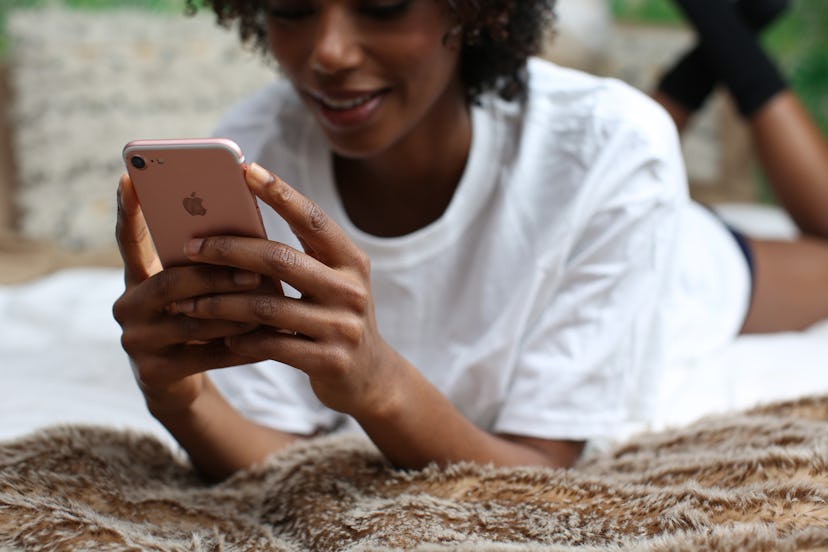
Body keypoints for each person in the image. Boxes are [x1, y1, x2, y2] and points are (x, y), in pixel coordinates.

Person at [112, 0, 827, 481]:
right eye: (293, 8)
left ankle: (728, 47)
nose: (326, 52)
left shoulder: (617, 147)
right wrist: (182, 398)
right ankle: (708, 59)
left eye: (384, 3)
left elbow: (538, 469)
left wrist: (380, 384)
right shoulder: (256, 156)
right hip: (569, 168)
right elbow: (268, 461)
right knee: (598, 143)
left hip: (688, 262)